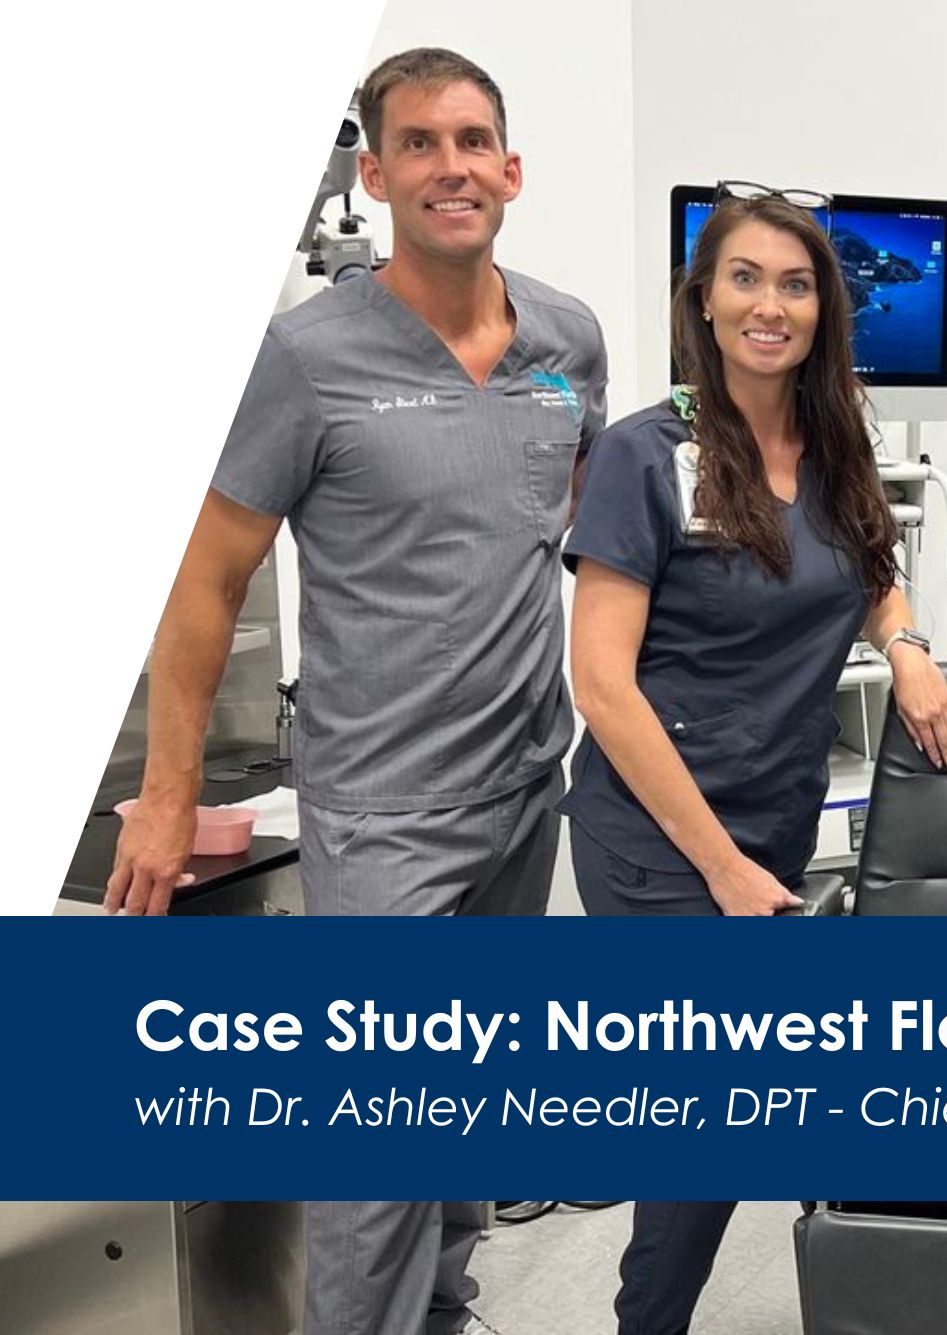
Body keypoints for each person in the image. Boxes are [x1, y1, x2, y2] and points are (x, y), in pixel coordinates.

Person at [103, 46, 606, 1335]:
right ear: (376, 172)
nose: (453, 167)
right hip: (382, 808)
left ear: (511, 166)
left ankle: (442, 1317)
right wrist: (166, 798)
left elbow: (571, 539)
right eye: (421, 145)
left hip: (520, 787)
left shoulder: (568, 341)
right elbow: (207, 581)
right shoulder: (306, 355)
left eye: (474, 140)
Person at [562, 189, 947, 1330]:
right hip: (658, 842)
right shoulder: (649, 454)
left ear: (824, 309)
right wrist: (724, 872)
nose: (768, 306)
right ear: (702, 299)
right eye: (743, 278)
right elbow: (602, 684)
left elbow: (871, 564)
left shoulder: (834, 441)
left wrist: (909, 647)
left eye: (793, 284)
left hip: (773, 814)